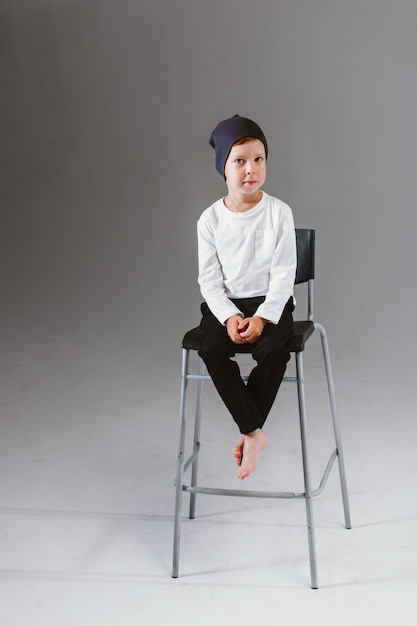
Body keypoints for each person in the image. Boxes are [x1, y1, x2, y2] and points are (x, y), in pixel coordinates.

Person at [197, 114, 297, 480]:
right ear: (224, 167)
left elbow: (285, 273)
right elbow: (208, 280)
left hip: (269, 303)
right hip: (226, 306)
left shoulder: (279, 212)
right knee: (209, 349)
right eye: (239, 161)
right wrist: (228, 317)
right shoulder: (209, 220)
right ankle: (254, 433)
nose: (250, 169)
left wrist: (263, 317)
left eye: (258, 159)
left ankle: (248, 429)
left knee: (274, 351)